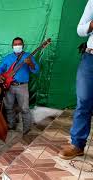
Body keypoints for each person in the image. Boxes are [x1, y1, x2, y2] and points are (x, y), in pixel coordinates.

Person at [59, 0, 93, 160]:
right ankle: (77, 145)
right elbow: (80, 29)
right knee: (84, 101)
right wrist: (92, 24)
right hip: (90, 58)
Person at [0, 37, 39, 135]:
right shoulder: (8, 57)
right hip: (9, 86)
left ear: (23, 45)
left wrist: (31, 63)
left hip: (22, 87)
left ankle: (27, 129)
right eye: (15, 44)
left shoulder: (28, 56)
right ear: (12, 46)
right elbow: (0, 68)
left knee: (24, 108)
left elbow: (36, 70)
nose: (17, 46)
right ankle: (11, 125)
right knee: (8, 107)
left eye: (19, 44)